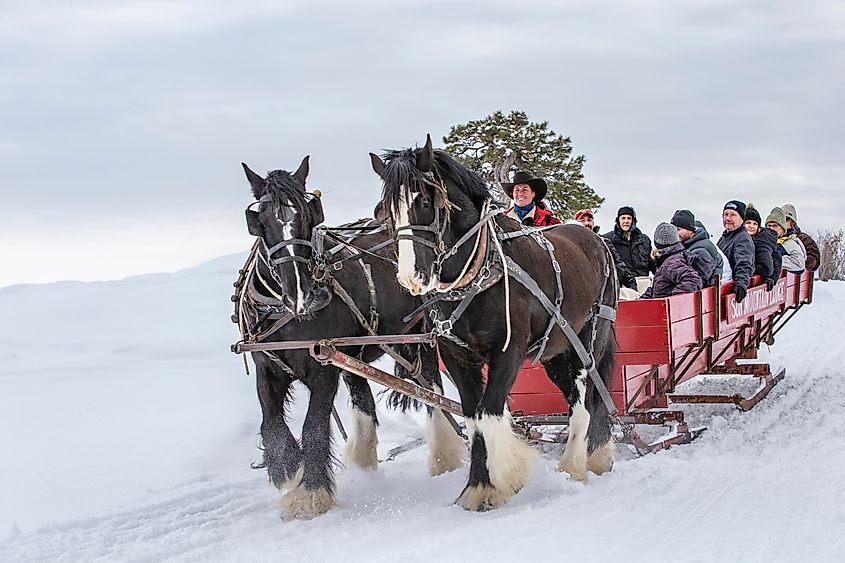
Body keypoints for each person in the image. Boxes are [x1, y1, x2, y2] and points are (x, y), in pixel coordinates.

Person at [573, 210, 638, 291]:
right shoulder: (571, 244)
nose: (587, 223)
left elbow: (619, 265)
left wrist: (632, 286)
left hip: (603, 291)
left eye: (589, 220)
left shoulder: (604, 243)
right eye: (582, 220)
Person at [641, 223, 703, 299]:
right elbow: (656, 289)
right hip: (658, 306)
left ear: (657, 243)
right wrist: (641, 301)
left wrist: (673, 299)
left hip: (665, 308)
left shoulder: (671, 263)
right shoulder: (668, 259)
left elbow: (693, 279)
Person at [717, 200, 754, 303]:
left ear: (742, 219)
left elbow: (744, 262)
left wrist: (741, 284)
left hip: (729, 288)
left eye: (733, 215)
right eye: (726, 214)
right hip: (723, 285)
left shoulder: (742, 238)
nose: (728, 218)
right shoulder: (724, 237)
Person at [602, 205, 655, 277]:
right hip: (621, 283)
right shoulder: (608, 239)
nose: (626, 221)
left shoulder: (644, 240)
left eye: (629, 218)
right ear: (618, 220)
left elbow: (652, 263)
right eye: (623, 218)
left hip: (643, 280)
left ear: (633, 221)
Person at [671, 209, 718, 286]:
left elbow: (695, 280)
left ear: (690, 230)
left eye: (678, 229)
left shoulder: (700, 249)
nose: (675, 233)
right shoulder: (687, 245)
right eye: (673, 229)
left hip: (704, 294)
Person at [744, 204, 781, 290]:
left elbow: (768, 267)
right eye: (748, 223)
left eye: (755, 224)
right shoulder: (737, 238)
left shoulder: (761, 242)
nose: (751, 226)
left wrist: (746, 269)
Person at [766, 206, 806, 273]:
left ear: (782, 228)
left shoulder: (788, 242)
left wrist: (773, 261)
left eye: (775, 226)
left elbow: (799, 262)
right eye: (769, 226)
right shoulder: (764, 240)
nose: (771, 229)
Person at [781, 204, 820, 272]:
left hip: (794, 274)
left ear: (792, 222)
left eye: (786, 219)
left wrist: (801, 259)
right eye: (781, 219)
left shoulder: (802, 239)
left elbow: (814, 260)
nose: (783, 222)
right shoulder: (773, 237)